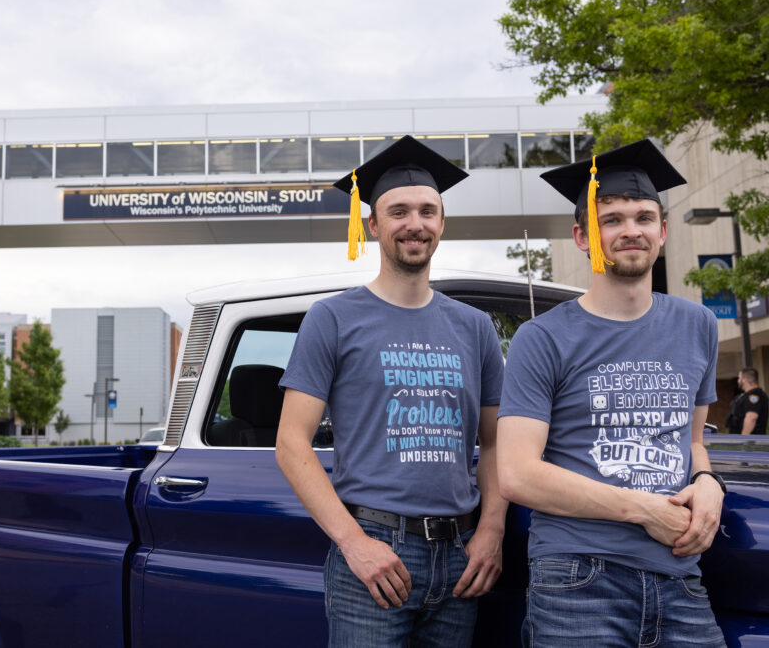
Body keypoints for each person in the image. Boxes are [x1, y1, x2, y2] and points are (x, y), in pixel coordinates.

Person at [276, 135, 507, 647]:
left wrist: (491, 530)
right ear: (373, 225)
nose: (415, 223)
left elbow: (495, 442)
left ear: (442, 223)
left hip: (461, 557)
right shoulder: (333, 319)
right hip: (375, 552)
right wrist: (354, 544)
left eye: (428, 210)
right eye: (398, 211)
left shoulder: (474, 328)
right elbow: (291, 442)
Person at [497, 138, 727, 647]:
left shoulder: (698, 325)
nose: (631, 231)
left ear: (662, 231)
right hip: (579, 579)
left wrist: (709, 482)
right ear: (584, 237)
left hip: (680, 575)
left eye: (644, 217)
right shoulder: (543, 337)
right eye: (612, 219)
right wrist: (643, 510)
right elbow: (516, 473)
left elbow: (691, 442)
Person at [726, 368, 768, 434]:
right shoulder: (745, 396)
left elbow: (751, 417)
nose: (738, 381)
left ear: (744, 380)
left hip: (751, 442)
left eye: (739, 378)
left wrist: (744, 439)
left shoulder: (755, 395)